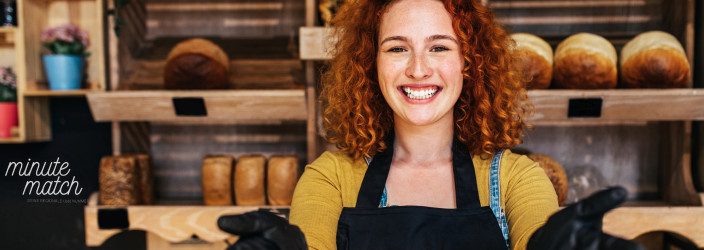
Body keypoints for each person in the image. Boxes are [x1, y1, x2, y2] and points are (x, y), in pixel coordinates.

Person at [218, 0, 644, 249]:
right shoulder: (331, 177)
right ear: (371, 64)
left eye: (439, 47)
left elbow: (538, 236)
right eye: (397, 48)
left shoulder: (515, 178)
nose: (419, 69)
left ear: (469, 63)